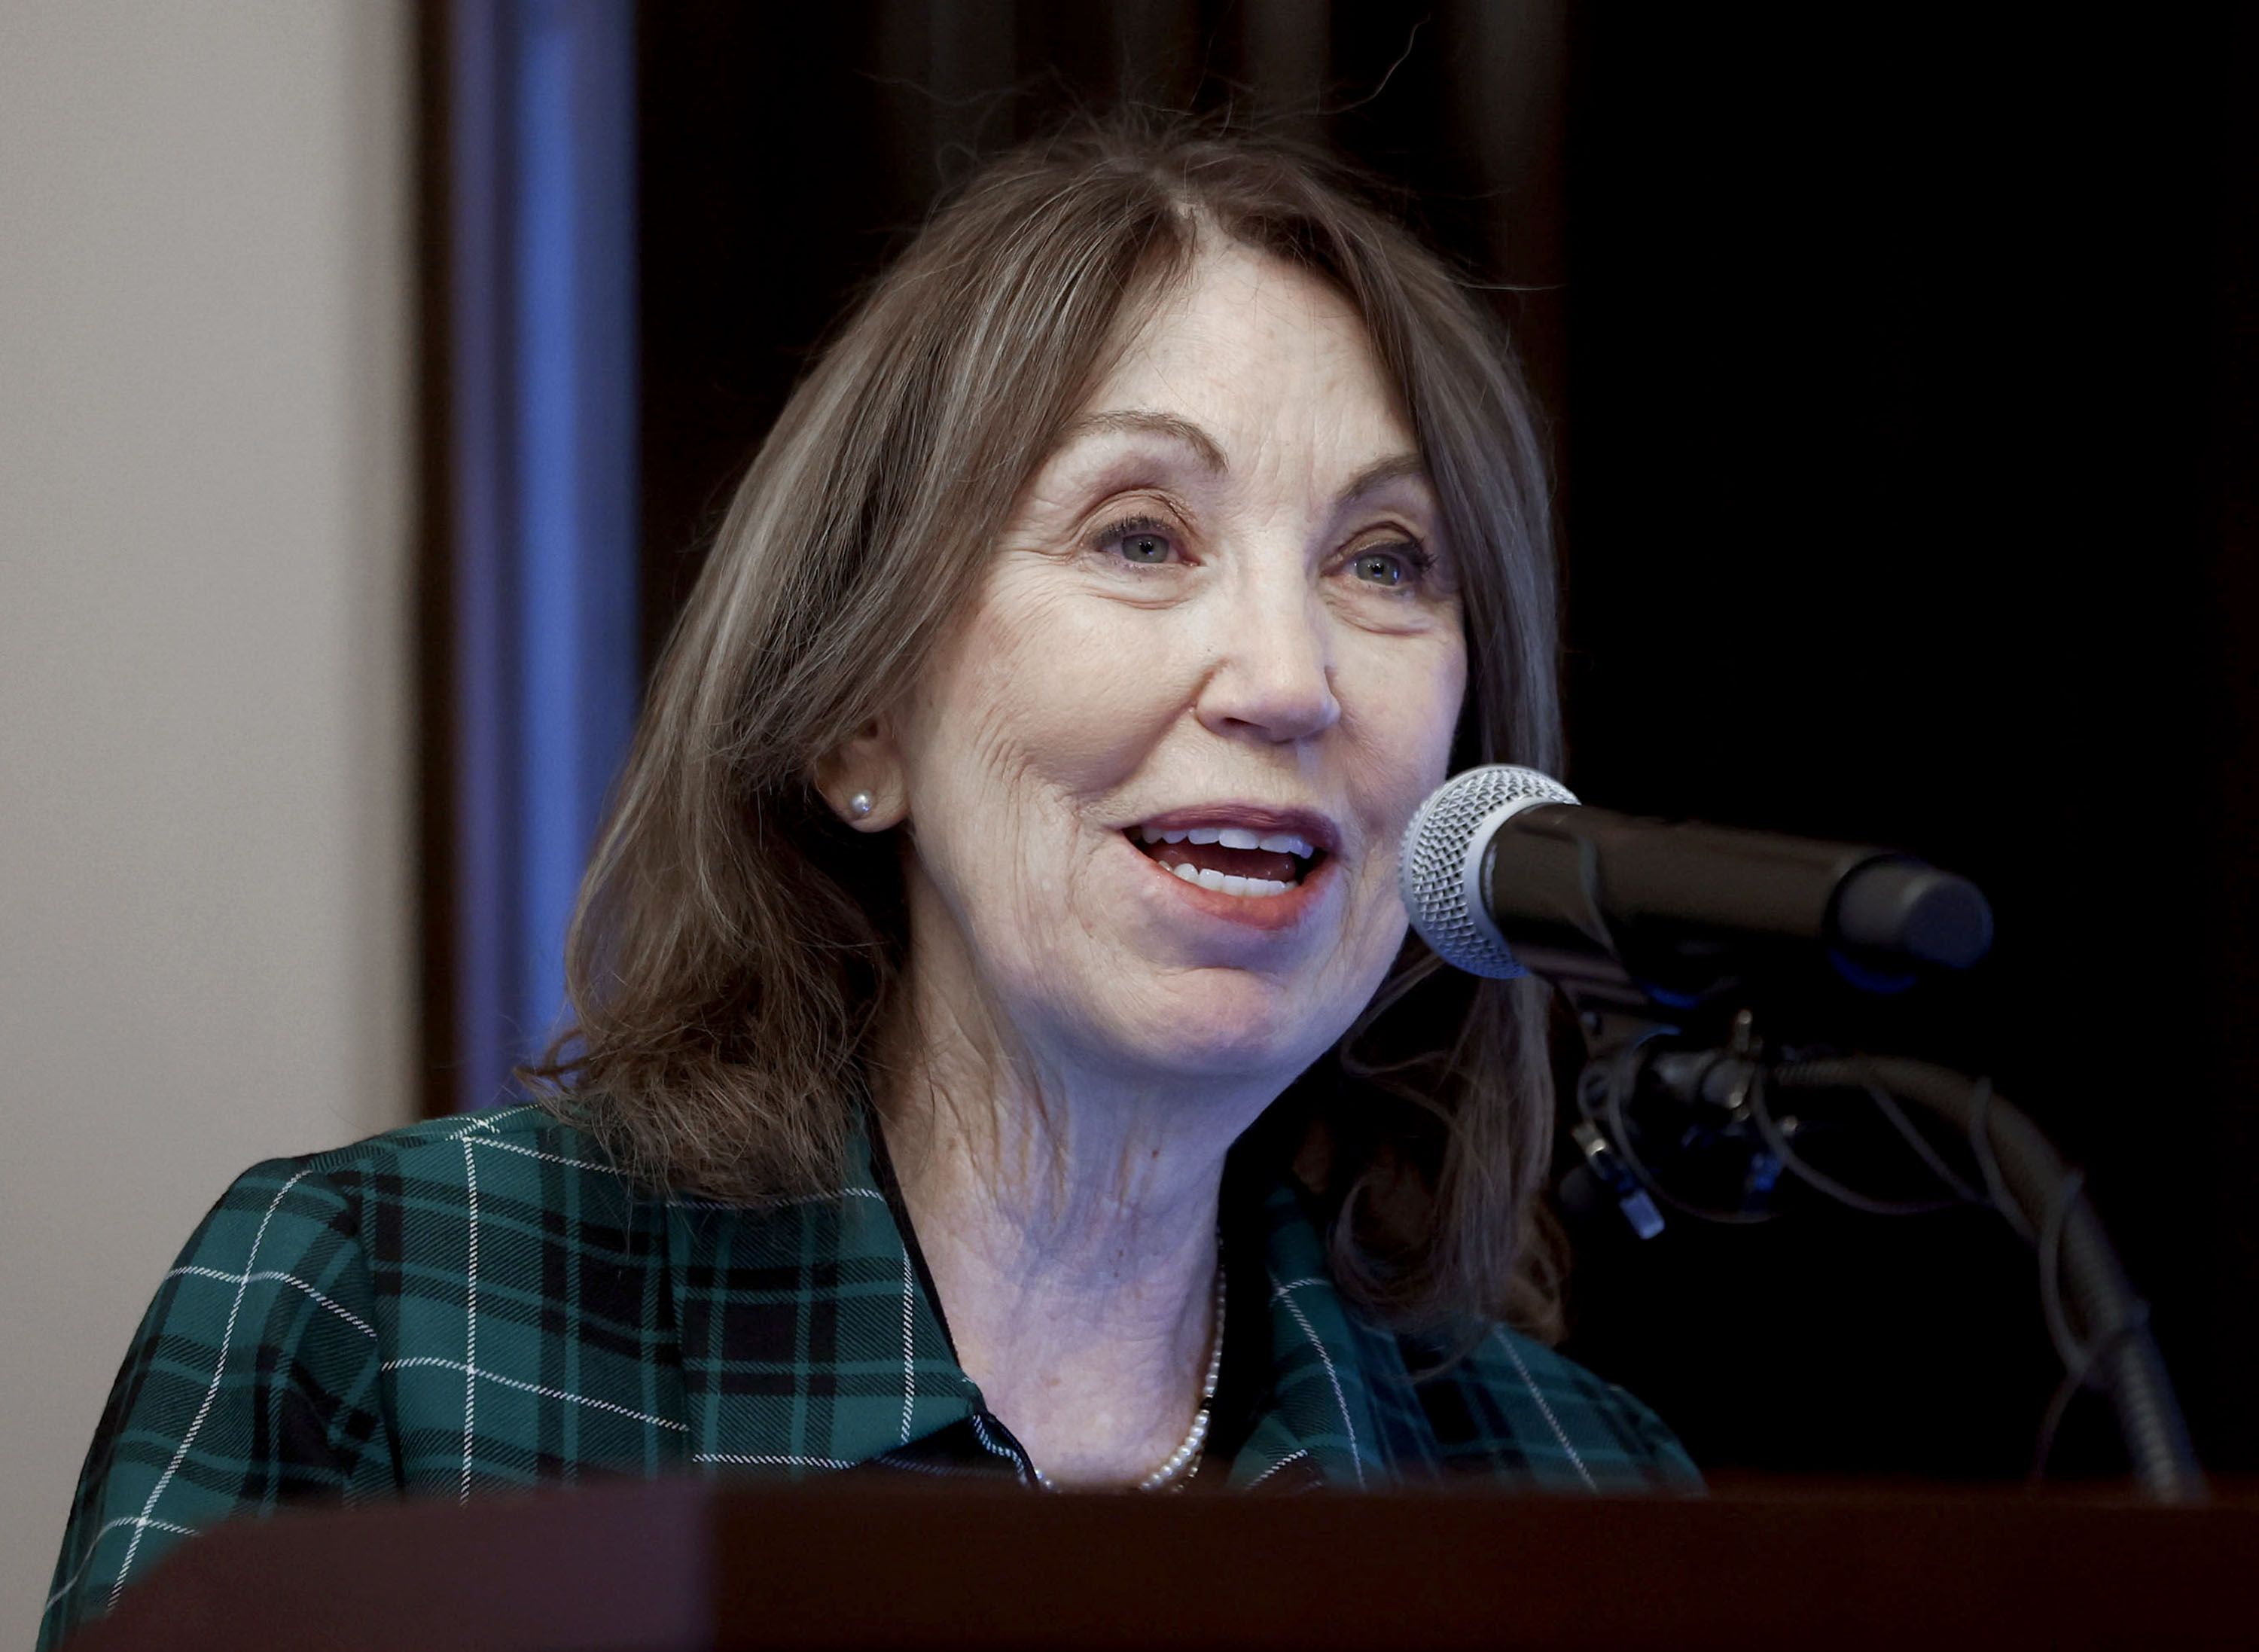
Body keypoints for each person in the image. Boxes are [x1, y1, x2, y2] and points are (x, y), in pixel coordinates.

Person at [41, 112, 1695, 1647]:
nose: (1289, 676)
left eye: (1385, 561)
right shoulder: (386, 1319)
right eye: (1141, 536)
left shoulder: (1581, 1488)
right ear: (861, 717)